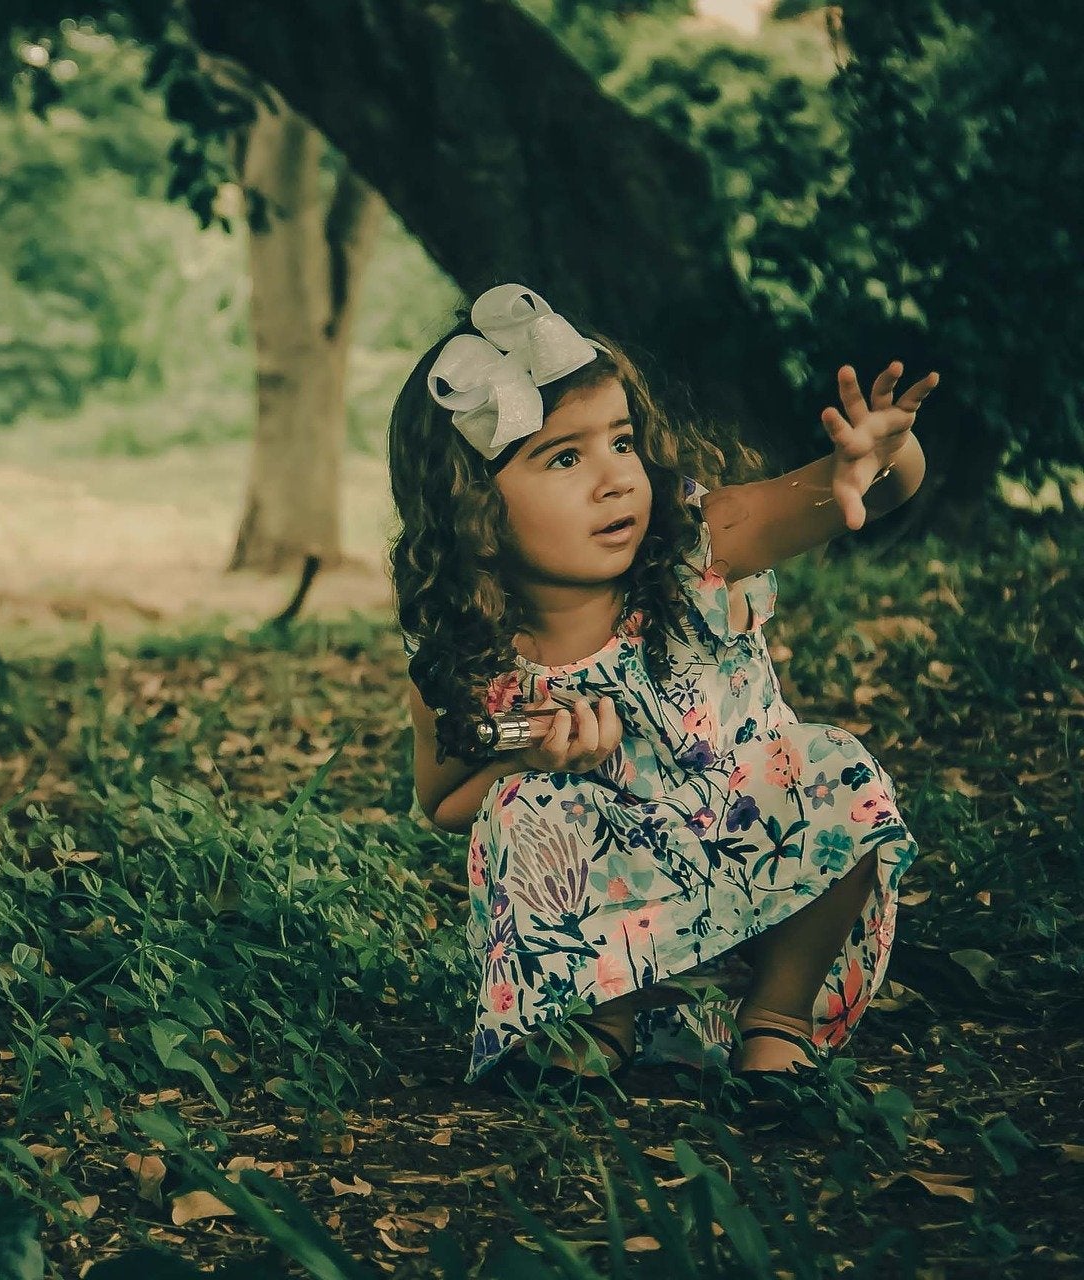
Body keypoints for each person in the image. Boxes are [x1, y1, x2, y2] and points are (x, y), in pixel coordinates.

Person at [389, 284, 937, 1100]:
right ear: (473, 511)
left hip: (755, 872)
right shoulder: (468, 660)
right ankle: (597, 1025)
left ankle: (776, 1024)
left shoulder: (699, 548)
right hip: (615, 927)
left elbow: (858, 489)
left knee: (833, 767)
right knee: (527, 808)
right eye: (565, 458)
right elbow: (442, 801)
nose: (615, 479)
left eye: (620, 440)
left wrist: (876, 460)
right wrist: (531, 762)